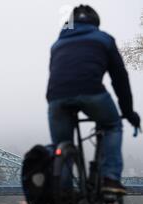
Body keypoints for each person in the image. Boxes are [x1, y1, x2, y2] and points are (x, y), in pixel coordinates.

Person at [46, 5, 140, 194]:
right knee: (113, 125)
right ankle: (110, 178)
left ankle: (62, 195)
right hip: (92, 92)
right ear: (95, 22)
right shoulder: (104, 39)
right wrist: (128, 113)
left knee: (62, 146)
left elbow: (55, 75)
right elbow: (120, 79)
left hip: (56, 98)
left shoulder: (57, 45)